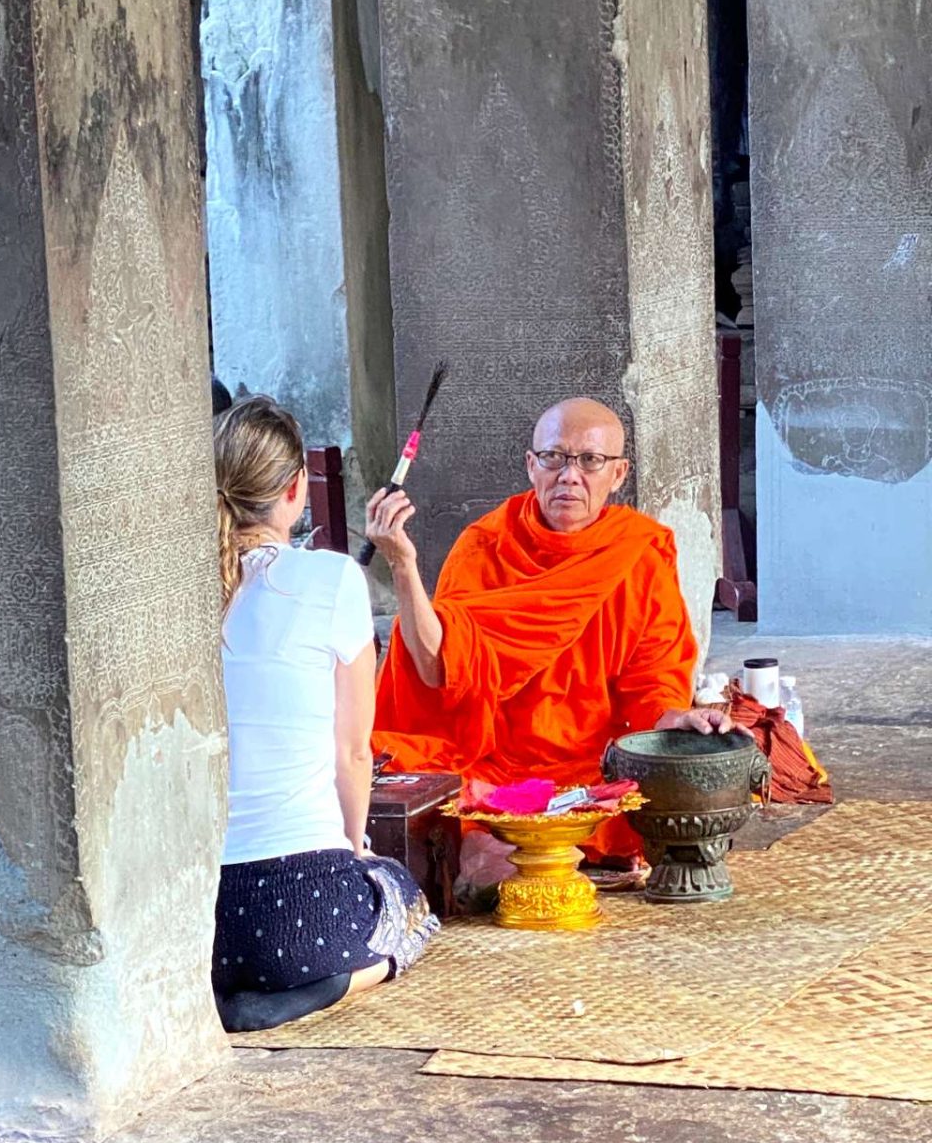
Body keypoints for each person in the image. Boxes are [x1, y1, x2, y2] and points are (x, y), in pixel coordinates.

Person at [366, 397, 736, 867]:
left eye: (590, 461)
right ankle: (498, 848)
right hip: (490, 762)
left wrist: (672, 718)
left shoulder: (637, 552)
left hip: (591, 764)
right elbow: (438, 668)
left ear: (618, 475)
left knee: (669, 791)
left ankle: (506, 850)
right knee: (404, 777)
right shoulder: (486, 545)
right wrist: (402, 564)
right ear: (530, 465)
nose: (569, 475)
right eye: (553, 458)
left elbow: (653, 676)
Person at [211, 395, 438, 1033]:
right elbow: (353, 751)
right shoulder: (333, 578)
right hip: (303, 913)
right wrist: (355, 847)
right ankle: (322, 989)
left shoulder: (179, 588)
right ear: (294, 490)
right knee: (408, 903)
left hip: (198, 925)